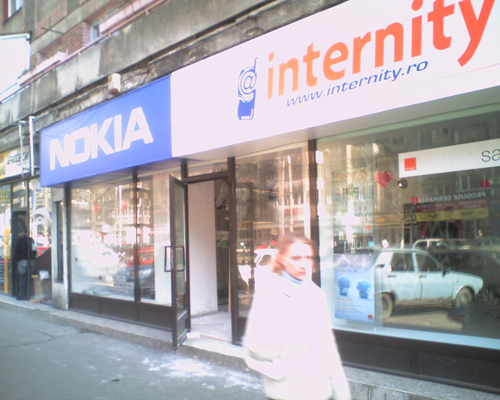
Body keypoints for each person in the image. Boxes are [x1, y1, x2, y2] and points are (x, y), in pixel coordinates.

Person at [243, 232, 351, 400]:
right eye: (296, 258)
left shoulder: (316, 294)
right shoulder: (270, 294)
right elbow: (255, 346)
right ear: (282, 259)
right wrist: (290, 354)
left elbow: (329, 349)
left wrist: (343, 393)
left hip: (320, 391)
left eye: (309, 258)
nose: (304, 264)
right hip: (287, 391)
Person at [14, 232, 37, 300]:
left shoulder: (19, 241)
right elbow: (34, 250)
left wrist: (18, 260)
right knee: (29, 278)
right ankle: (29, 294)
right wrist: (32, 257)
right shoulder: (31, 240)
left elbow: (16, 252)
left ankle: (22, 295)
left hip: (22, 261)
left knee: (22, 278)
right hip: (31, 261)